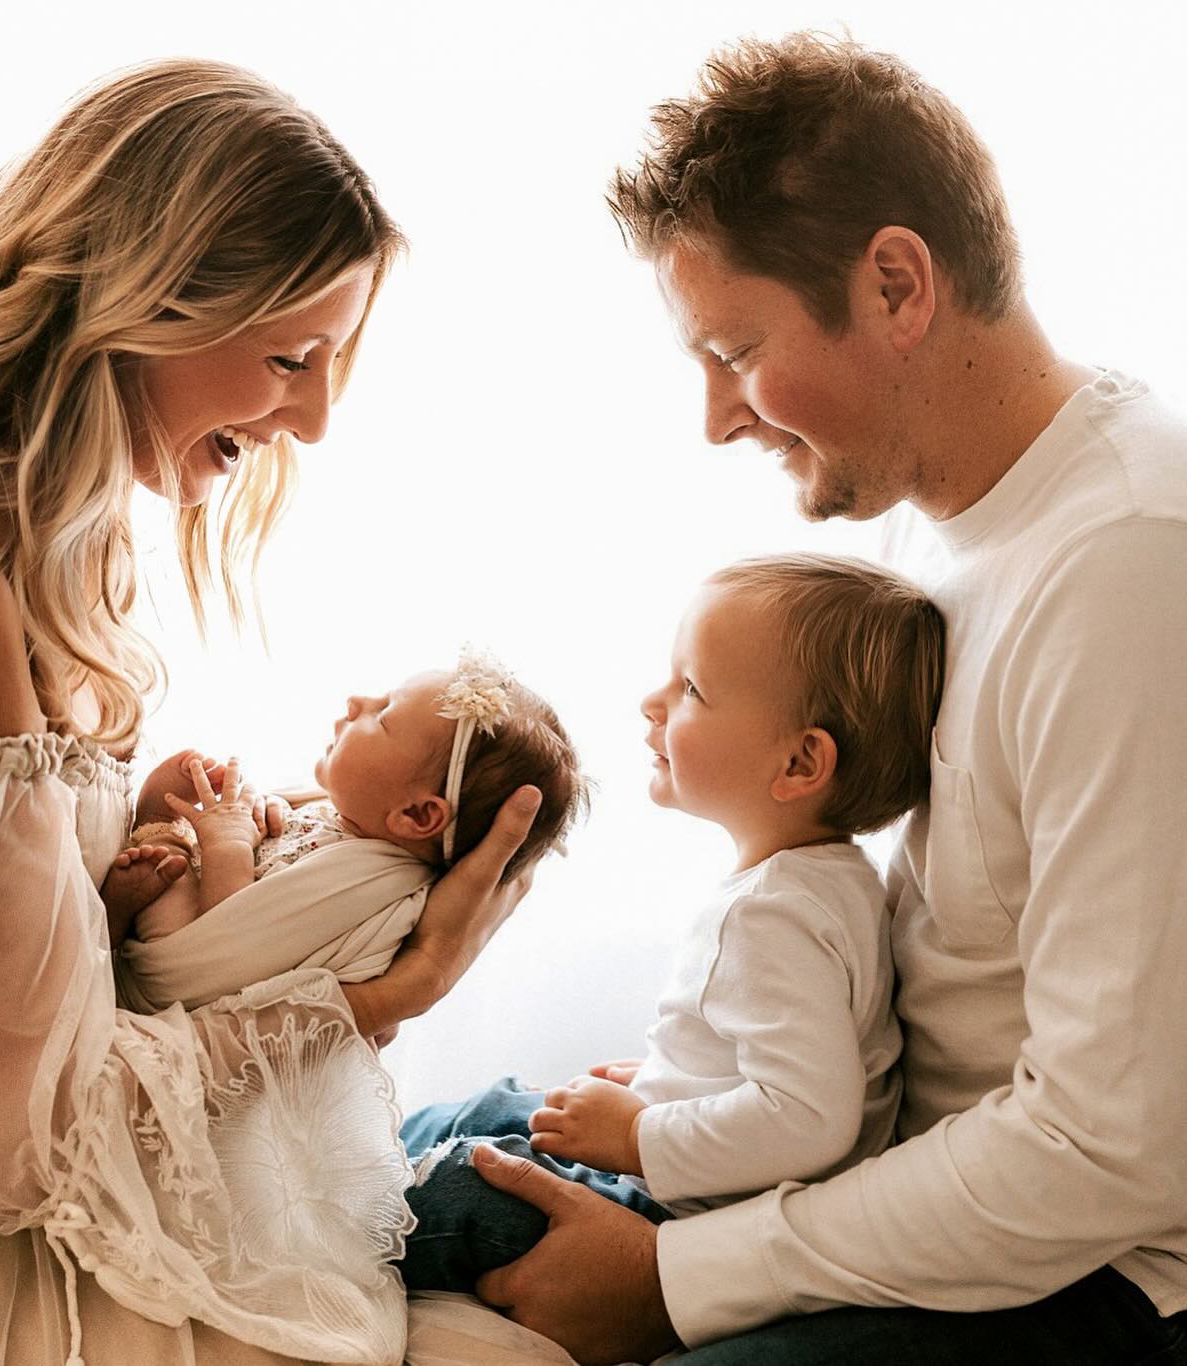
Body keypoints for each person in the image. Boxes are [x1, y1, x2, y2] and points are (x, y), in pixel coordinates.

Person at [460, 32, 1187, 1366]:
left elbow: (1107, 1147)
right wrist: (694, 1104)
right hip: (915, 1188)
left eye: (734, 350)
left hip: (1097, 1274)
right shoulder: (930, 524)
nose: (716, 418)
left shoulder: (1131, 567)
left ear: (895, 284)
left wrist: (680, 1275)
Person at [0, 59, 548, 1366]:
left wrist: (117, 863)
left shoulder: (52, 534)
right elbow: (23, 1134)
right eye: (290, 358)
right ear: (139, 308)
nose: (311, 419)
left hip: (11, 1153)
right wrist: (383, 994)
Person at [396, 555, 941, 1293]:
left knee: (461, 1189)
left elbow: (810, 1119)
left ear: (800, 762)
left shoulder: (772, 914)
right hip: (700, 1177)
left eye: (691, 689)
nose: (653, 703)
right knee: (503, 1106)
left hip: (682, 1214)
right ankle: (368, 1156)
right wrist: (676, 1083)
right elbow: (779, 1054)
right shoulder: (830, 880)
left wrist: (636, 1134)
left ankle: (326, 1214)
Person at [105, 655, 587, 1012]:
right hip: (202, 927)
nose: (357, 702)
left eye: (384, 716)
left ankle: (150, 843)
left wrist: (228, 843)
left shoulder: (373, 881)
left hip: (176, 979)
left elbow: (228, 950)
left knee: (173, 849)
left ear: (418, 815)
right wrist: (267, 810)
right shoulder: (350, 821)